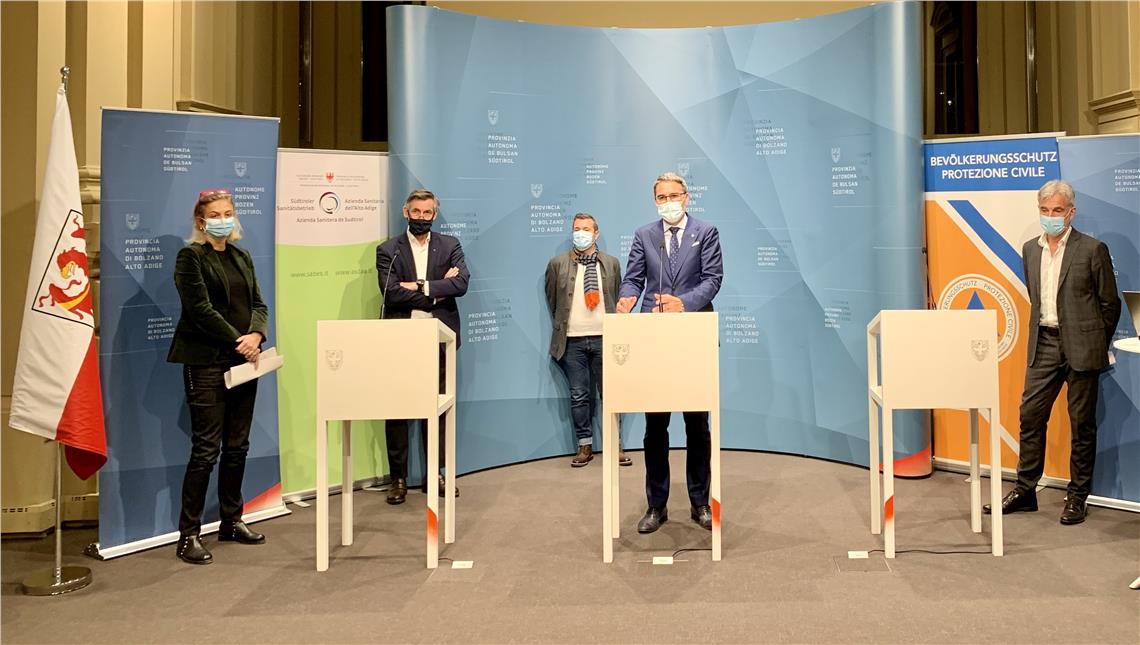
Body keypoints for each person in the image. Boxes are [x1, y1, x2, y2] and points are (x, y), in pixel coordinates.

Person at [984, 179, 1120, 525]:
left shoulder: (1092, 249)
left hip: (1082, 348)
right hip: (1044, 343)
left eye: (1057, 210)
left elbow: (1110, 303)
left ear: (1071, 212)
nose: (1050, 216)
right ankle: (1025, 490)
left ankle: (1077, 497)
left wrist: (1094, 341)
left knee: (1082, 425)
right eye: (1045, 210)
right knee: (1030, 416)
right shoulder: (1030, 249)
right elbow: (1037, 297)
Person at [616, 171, 723, 533]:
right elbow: (634, 277)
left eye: (673, 195)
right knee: (655, 426)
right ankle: (656, 505)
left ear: (686, 197)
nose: (668, 202)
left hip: (694, 335)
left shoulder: (706, 232)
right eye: (661, 197)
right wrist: (627, 298)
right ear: (655, 201)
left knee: (697, 425)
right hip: (654, 338)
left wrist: (684, 303)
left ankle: (700, 503)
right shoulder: (644, 235)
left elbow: (713, 279)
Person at [168, 188, 269, 564]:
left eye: (228, 213)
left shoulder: (241, 256)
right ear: (201, 221)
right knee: (206, 449)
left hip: (244, 362)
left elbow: (258, 303)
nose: (223, 219)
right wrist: (240, 341)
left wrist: (256, 335)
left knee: (238, 446)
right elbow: (199, 309)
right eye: (215, 215)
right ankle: (189, 534)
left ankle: (232, 520)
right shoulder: (191, 257)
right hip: (207, 362)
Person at [375, 188, 470, 504]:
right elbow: (390, 292)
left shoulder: (450, 245)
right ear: (406, 212)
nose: (421, 217)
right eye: (416, 212)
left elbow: (461, 284)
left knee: (438, 409)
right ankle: (398, 478)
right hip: (400, 339)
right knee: (397, 410)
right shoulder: (389, 250)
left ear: (434, 214)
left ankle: (435, 474)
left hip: (439, 339)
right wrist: (435, 293)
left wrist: (418, 285)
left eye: (427, 212)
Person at [544, 213, 631, 468]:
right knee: (579, 395)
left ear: (596, 233)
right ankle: (584, 445)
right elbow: (553, 300)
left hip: (606, 338)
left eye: (585, 229)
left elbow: (617, 296)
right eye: (576, 228)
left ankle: (615, 444)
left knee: (612, 394)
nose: (580, 233)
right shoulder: (557, 264)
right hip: (572, 341)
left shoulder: (611, 263)